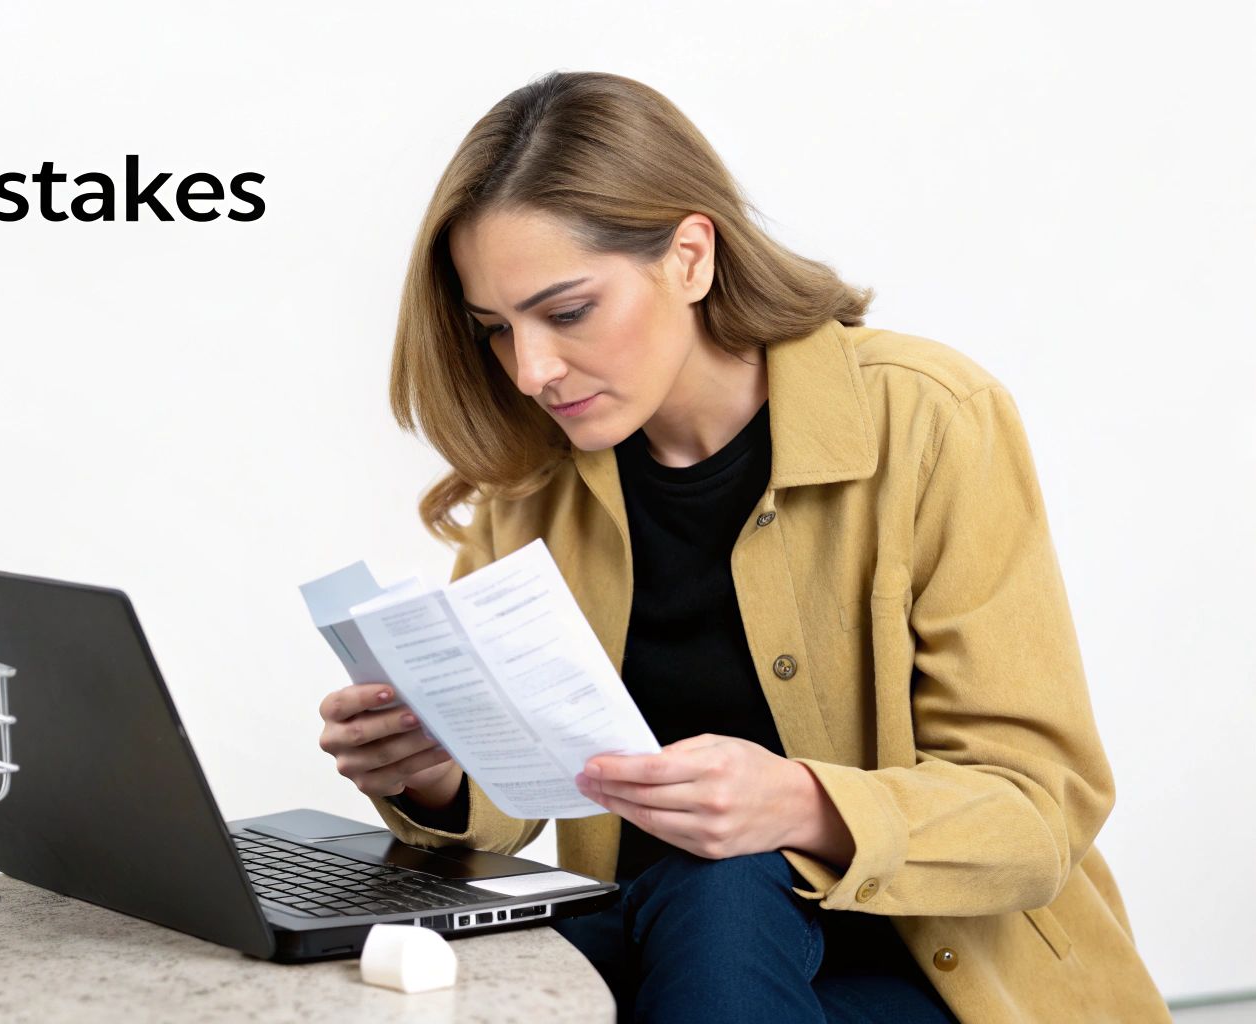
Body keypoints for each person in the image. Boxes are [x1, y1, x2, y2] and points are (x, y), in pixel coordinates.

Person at [314, 71, 1168, 1023]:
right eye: (496, 330)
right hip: (664, 949)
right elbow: (517, 801)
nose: (531, 370)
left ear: (690, 257)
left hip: (926, 969)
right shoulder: (538, 478)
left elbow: (1038, 809)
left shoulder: (931, 418)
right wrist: (434, 771)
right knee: (408, 975)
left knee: (721, 881)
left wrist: (801, 804)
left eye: (567, 311)